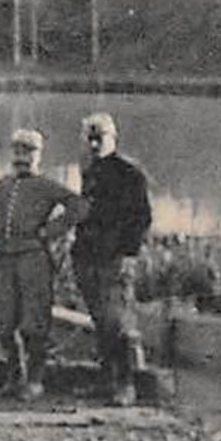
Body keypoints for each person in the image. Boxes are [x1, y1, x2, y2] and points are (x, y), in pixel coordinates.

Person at [0, 129, 88, 400]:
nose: (22, 157)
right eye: (18, 151)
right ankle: (14, 377)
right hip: (4, 259)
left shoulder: (46, 185)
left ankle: (35, 381)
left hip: (33, 259)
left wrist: (50, 231)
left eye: (28, 152)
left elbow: (79, 206)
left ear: (39, 155)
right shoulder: (4, 184)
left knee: (34, 322)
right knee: (3, 322)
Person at [72, 112, 153, 406]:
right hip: (87, 258)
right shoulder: (90, 171)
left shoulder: (129, 173)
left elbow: (142, 218)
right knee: (100, 323)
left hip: (114, 260)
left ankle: (126, 384)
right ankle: (106, 381)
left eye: (100, 138)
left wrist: (128, 254)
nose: (94, 144)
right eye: (89, 138)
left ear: (112, 139)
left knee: (117, 324)